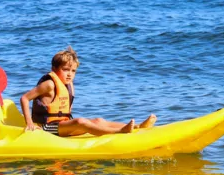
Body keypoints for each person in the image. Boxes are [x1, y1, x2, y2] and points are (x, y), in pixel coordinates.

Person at [20, 48, 156, 136]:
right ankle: (120, 131)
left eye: (73, 71)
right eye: (65, 69)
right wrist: (30, 123)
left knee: (98, 120)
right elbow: (25, 98)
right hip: (47, 128)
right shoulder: (49, 84)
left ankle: (138, 126)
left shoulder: (68, 85)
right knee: (81, 122)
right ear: (54, 69)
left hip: (62, 126)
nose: (69, 74)